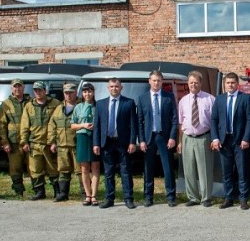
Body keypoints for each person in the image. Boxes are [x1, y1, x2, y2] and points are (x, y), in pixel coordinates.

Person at [92, 78, 138, 209]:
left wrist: (132, 142)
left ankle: (128, 198)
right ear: (108, 88)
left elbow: (133, 125)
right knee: (108, 172)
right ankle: (109, 198)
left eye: (116, 86)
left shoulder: (128, 103)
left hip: (123, 142)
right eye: (111, 86)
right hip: (107, 142)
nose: (114, 89)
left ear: (121, 88)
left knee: (125, 171)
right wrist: (96, 143)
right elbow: (97, 126)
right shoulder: (100, 104)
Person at [211, 72, 250, 210]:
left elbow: (249, 119)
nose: (230, 85)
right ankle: (228, 198)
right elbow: (214, 120)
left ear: (237, 84)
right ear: (225, 84)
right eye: (228, 83)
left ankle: (243, 199)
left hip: (240, 141)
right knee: (227, 172)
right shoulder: (219, 99)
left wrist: (246, 138)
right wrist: (215, 138)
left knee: (242, 171)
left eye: (233, 82)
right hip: (224, 141)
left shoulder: (245, 98)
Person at [136, 71, 178, 207]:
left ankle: (171, 196)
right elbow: (140, 121)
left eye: (159, 81)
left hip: (164, 136)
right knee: (148, 168)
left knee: (168, 167)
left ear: (162, 82)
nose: (156, 83)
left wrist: (172, 137)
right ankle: (148, 196)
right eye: (154, 80)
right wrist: (141, 140)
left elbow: (174, 119)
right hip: (149, 137)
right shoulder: (142, 98)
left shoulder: (169, 97)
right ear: (149, 81)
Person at [177, 71, 215, 207]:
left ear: (201, 83)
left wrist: (214, 139)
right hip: (187, 138)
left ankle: (206, 198)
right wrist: (180, 142)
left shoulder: (210, 99)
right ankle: (193, 197)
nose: (193, 85)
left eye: (196, 82)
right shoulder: (183, 101)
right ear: (188, 84)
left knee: (204, 169)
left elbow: (214, 121)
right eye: (191, 82)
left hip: (204, 137)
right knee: (188, 169)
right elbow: (181, 123)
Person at [20, 81, 61, 201]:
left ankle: (57, 191)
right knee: (35, 169)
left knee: (53, 168)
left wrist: (54, 141)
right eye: (36, 90)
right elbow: (24, 125)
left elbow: (58, 122)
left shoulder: (55, 104)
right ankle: (39, 191)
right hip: (34, 143)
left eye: (40, 90)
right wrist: (24, 141)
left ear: (45, 91)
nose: (38, 92)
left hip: (49, 143)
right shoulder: (29, 106)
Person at [0, 78, 31, 197]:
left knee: (33, 166)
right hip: (13, 141)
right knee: (15, 168)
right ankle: (18, 191)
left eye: (19, 86)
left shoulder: (30, 101)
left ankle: (37, 190)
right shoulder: (6, 104)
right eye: (15, 87)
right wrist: (5, 142)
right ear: (11, 88)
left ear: (24, 87)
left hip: (29, 140)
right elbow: (2, 124)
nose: (17, 89)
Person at [48, 82, 79, 202]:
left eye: (71, 92)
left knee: (81, 171)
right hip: (62, 145)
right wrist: (52, 142)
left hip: (77, 145)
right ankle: (63, 194)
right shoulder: (58, 108)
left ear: (76, 92)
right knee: (63, 170)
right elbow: (52, 126)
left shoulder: (81, 106)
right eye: (66, 93)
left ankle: (84, 193)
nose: (69, 95)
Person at [72, 82, 100, 206]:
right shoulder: (78, 107)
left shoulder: (98, 106)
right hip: (82, 136)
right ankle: (87, 195)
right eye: (85, 92)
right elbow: (72, 125)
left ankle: (94, 195)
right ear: (82, 93)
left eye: (89, 91)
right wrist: (83, 125)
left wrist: (96, 127)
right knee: (84, 168)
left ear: (93, 92)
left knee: (95, 167)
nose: (87, 94)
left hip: (94, 137)